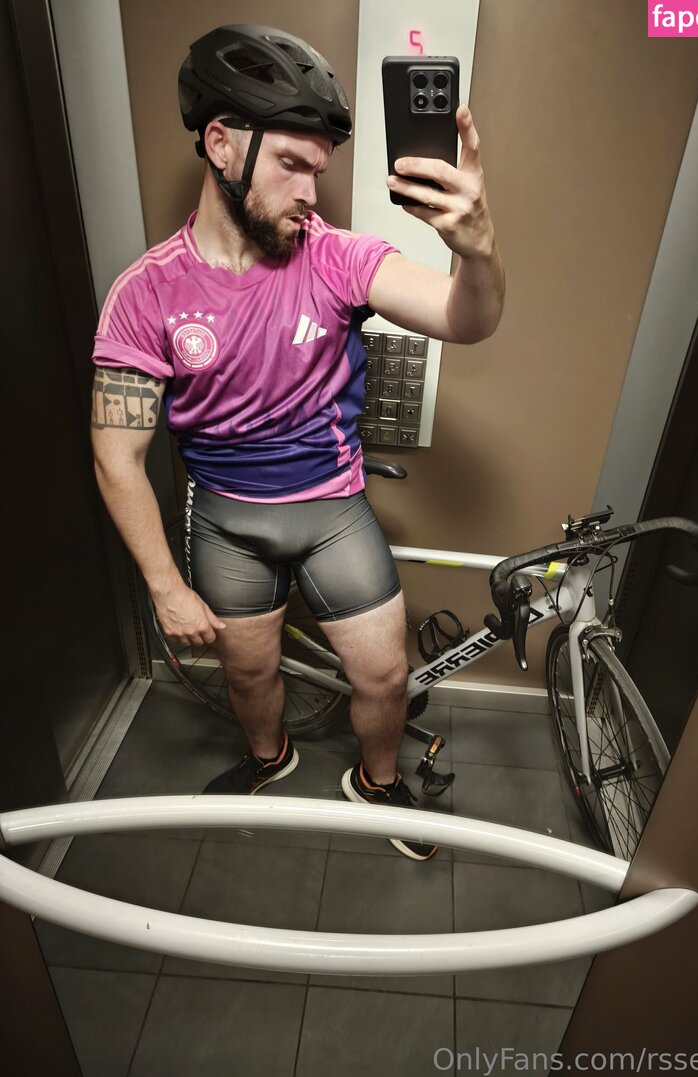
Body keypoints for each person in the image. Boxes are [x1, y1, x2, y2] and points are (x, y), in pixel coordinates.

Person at [91, 25, 504, 860]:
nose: (312, 192)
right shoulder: (147, 293)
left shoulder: (339, 260)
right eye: (291, 164)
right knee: (249, 675)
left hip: (332, 512)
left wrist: (478, 247)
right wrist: (166, 587)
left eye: (319, 169)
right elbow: (116, 455)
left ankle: (376, 784)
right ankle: (268, 757)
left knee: (384, 676)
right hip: (227, 522)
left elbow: (466, 319)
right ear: (221, 144)